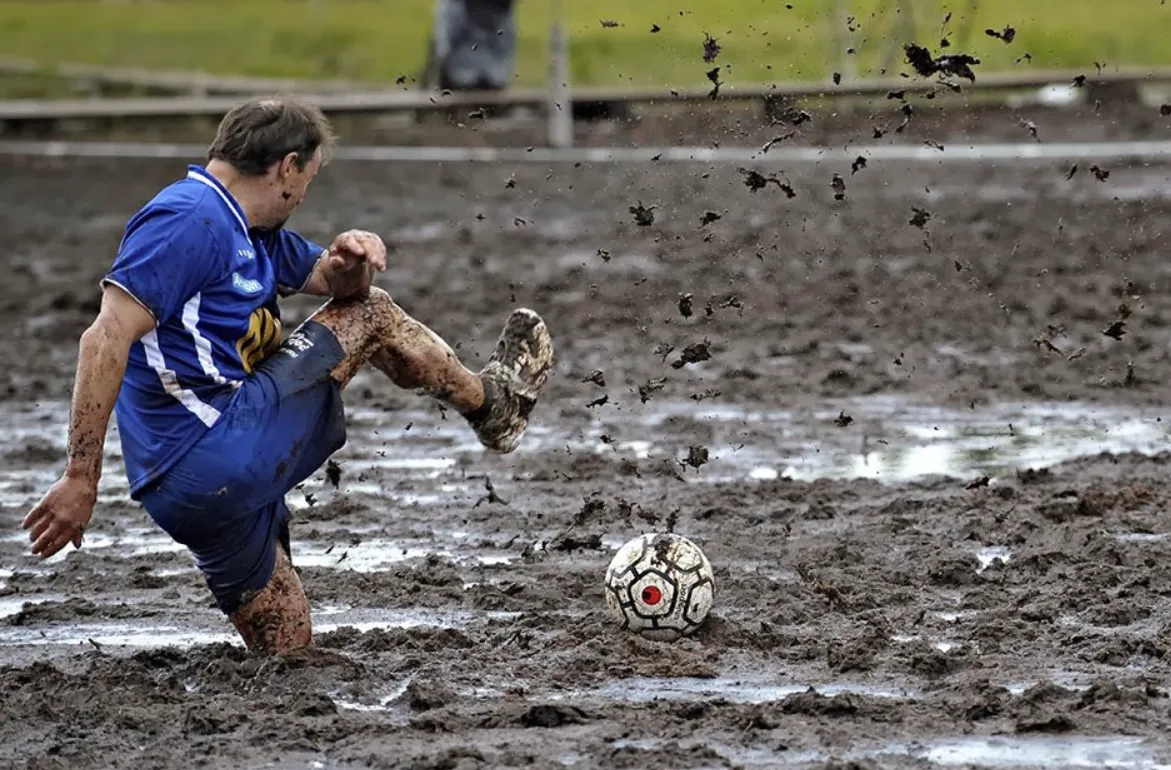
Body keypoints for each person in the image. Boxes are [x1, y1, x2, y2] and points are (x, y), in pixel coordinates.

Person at [19, 97, 554, 654]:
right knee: (374, 316)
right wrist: (81, 477)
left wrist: (353, 261)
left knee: (288, 649)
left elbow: (335, 283)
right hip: (216, 445)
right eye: (309, 179)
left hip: (188, 488)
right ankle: (493, 406)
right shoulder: (189, 220)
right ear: (287, 167)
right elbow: (103, 338)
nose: (304, 194)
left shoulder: (249, 226)